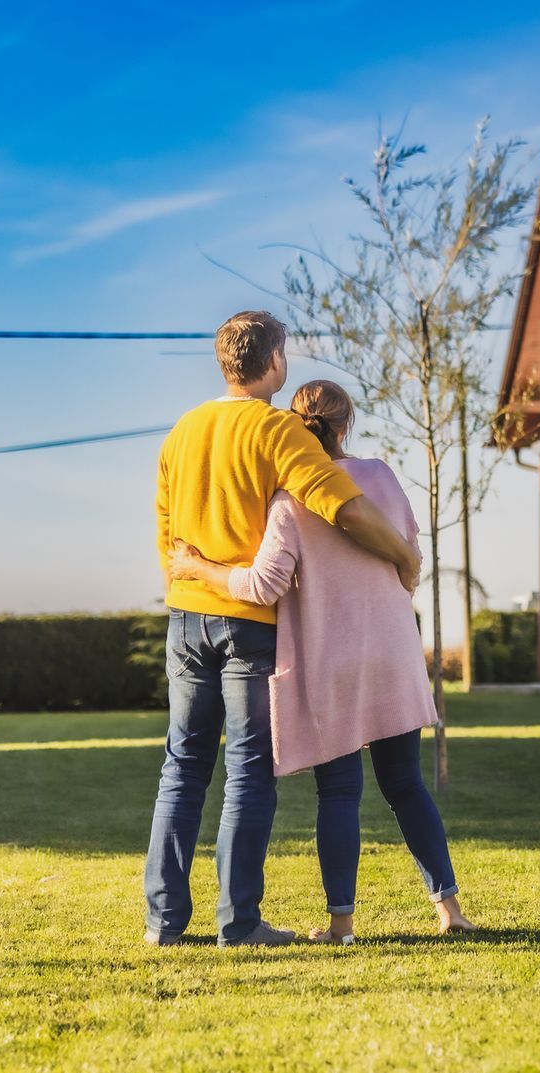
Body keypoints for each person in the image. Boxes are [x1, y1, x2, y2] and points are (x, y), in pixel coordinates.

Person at [147, 311, 422, 949]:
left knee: (182, 766)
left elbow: (169, 540)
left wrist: (194, 572)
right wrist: (404, 558)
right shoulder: (276, 429)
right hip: (248, 623)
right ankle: (237, 924)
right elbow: (344, 508)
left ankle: (163, 923)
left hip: (185, 618)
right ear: (273, 362)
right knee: (246, 770)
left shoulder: (181, 433)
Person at [169, 380, 474, 942]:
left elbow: (263, 586)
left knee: (339, 793)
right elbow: (410, 551)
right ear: (346, 425)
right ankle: (450, 911)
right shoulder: (382, 477)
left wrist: (198, 567)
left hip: (330, 663)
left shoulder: (288, 501)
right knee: (406, 784)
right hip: (392, 652)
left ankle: (342, 925)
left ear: (294, 428)